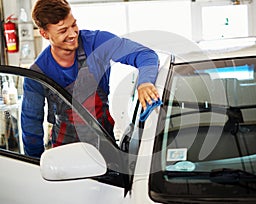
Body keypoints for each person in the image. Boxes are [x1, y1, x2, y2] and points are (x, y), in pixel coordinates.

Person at [21, 0, 160, 158]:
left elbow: (145, 55)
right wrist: (34, 164)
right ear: (44, 34)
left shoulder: (96, 43)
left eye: (74, 25)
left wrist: (145, 82)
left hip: (104, 142)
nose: (73, 34)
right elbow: (31, 124)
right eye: (63, 30)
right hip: (65, 150)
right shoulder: (38, 73)